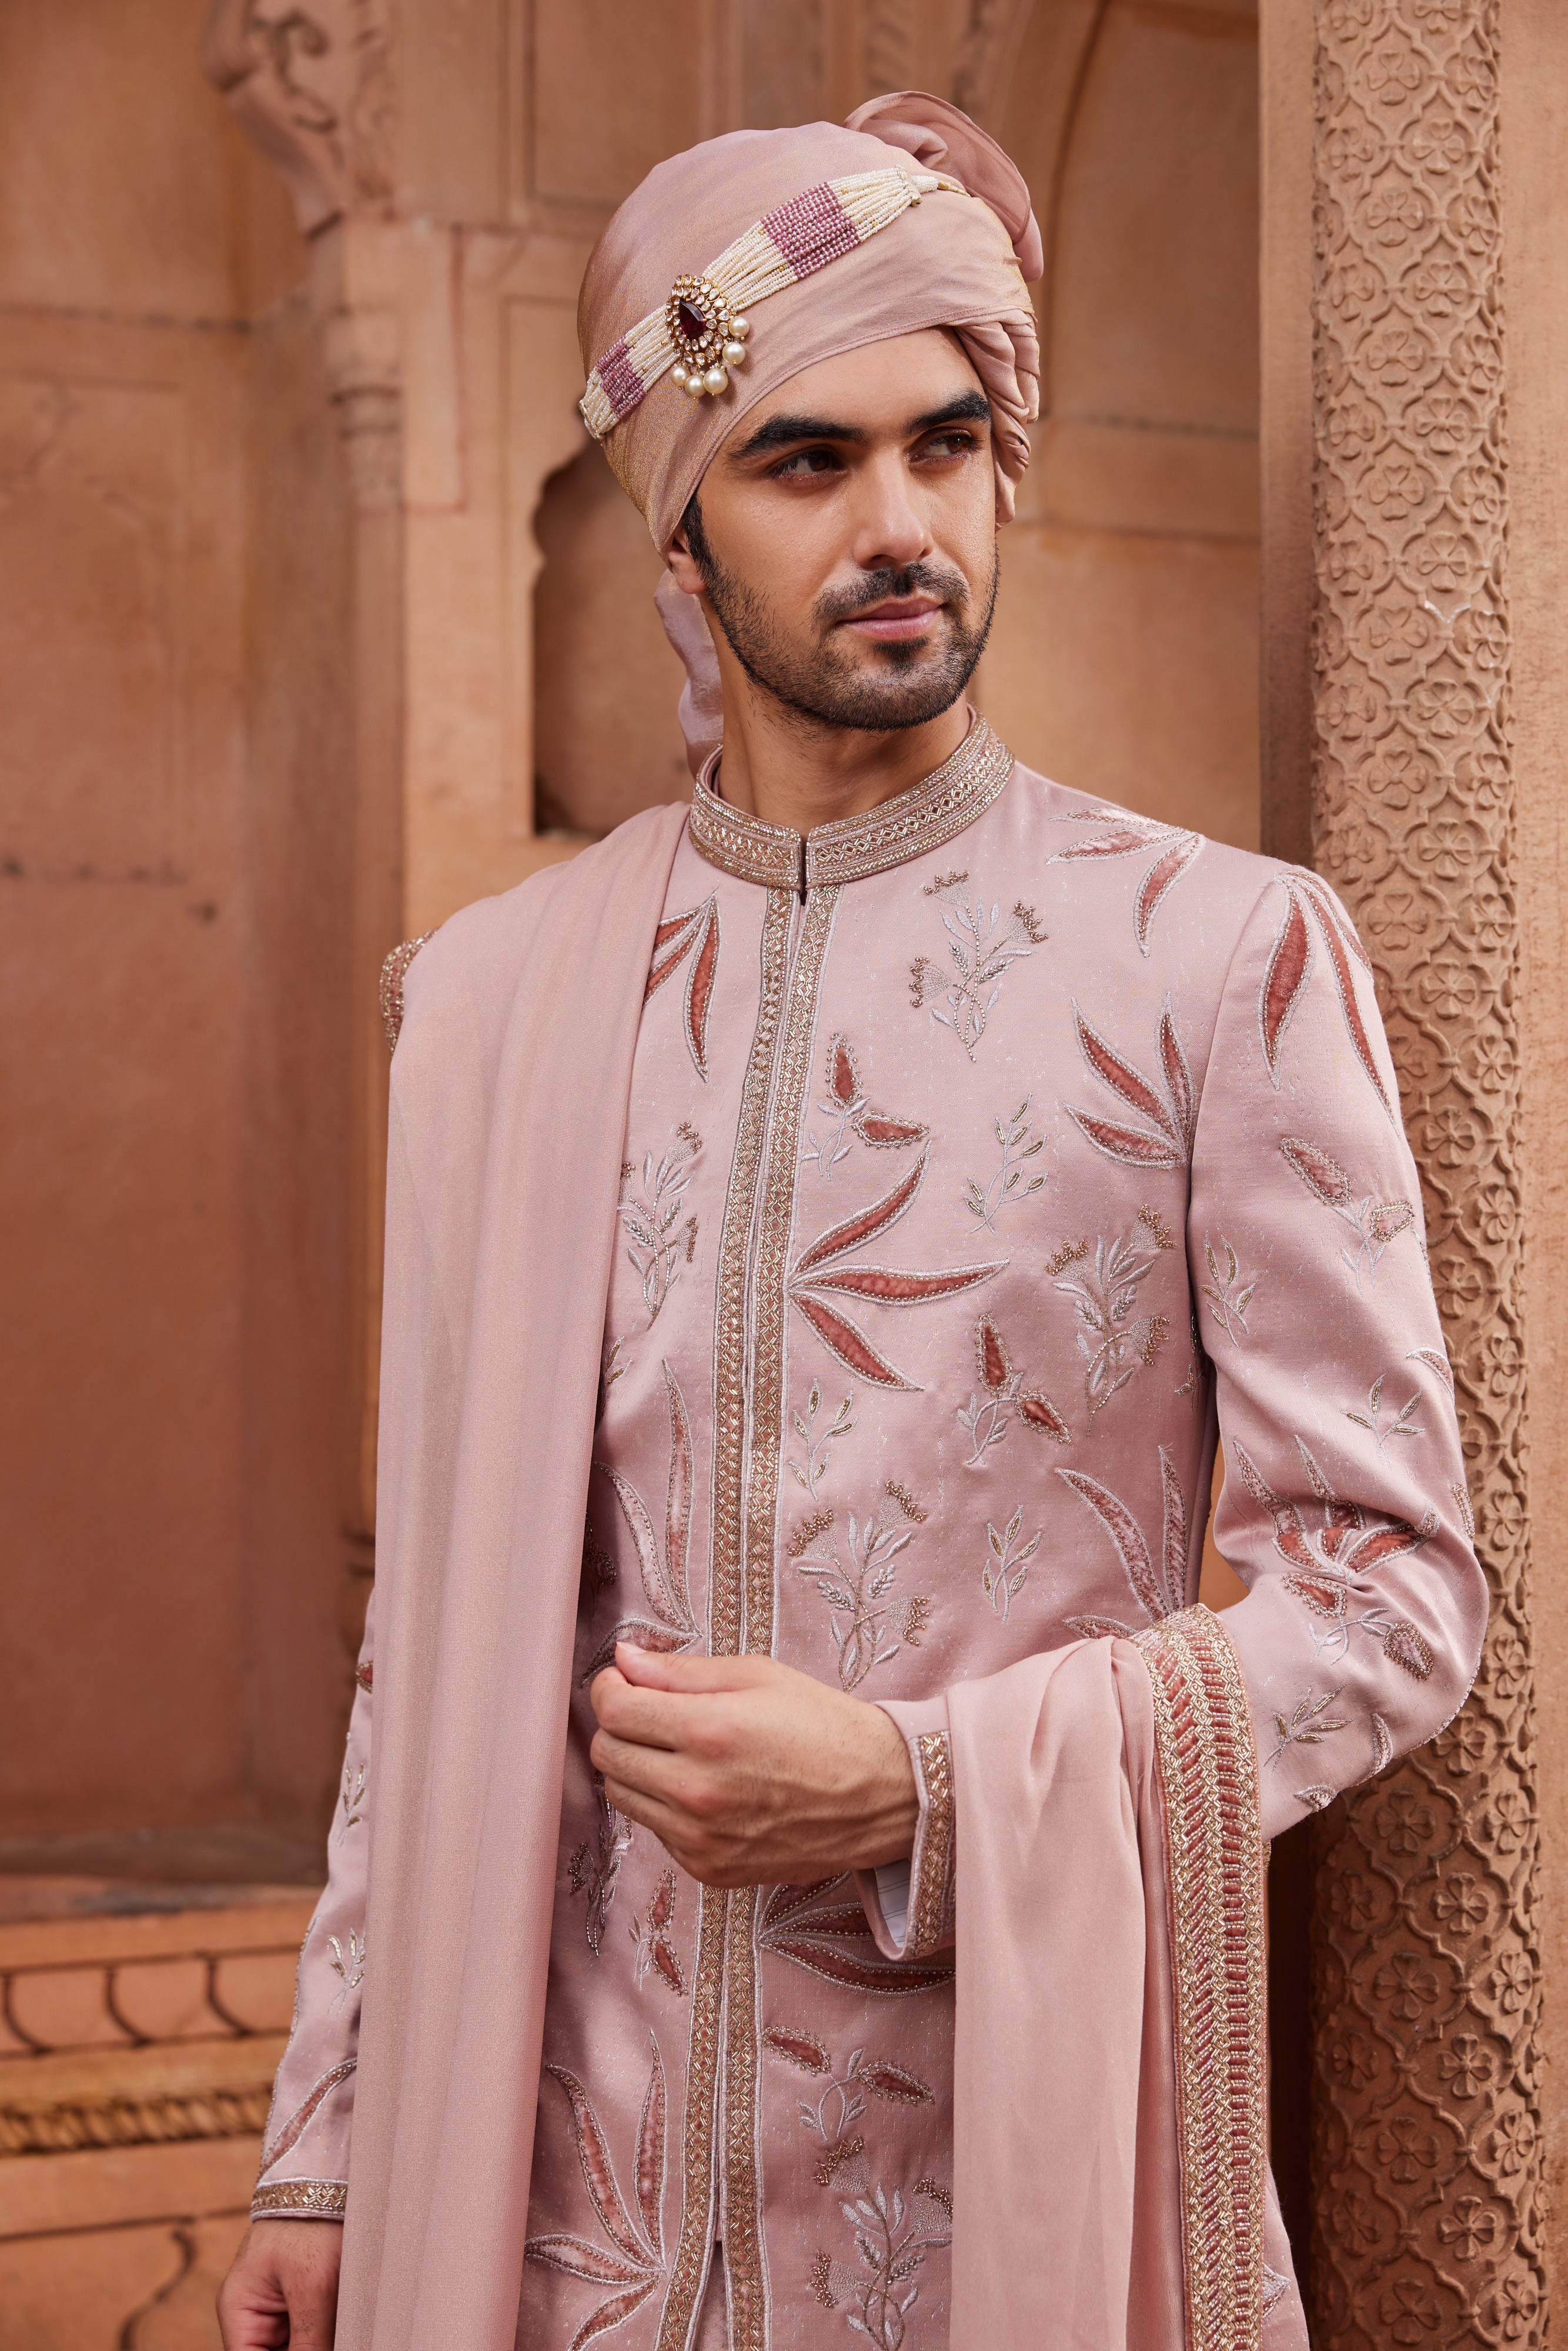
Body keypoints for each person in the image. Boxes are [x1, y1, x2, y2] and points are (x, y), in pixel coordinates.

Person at [217, 93, 1484, 2351]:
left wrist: (912, 1788)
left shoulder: (1218, 964)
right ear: (679, 537)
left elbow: (1388, 1603)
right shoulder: (491, 1007)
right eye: (804, 460)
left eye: (946, 442)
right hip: (556, 2217)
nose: (899, 522)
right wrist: (329, 2136)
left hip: (997, 2184)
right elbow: (433, 1649)